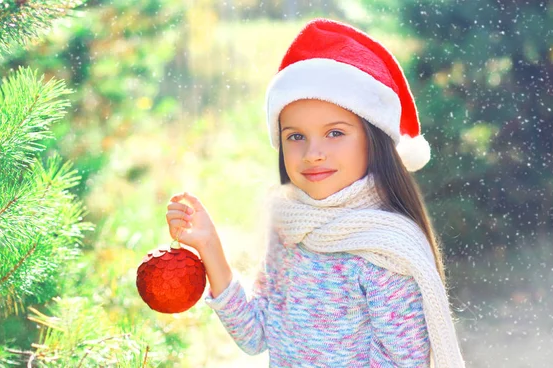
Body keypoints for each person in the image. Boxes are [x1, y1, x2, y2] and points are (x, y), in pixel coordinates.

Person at [166, 18, 465, 368]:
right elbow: (256, 335)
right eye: (296, 136)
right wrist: (210, 248)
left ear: (374, 139)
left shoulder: (385, 253)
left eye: (335, 133)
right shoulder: (289, 229)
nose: (313, 153)